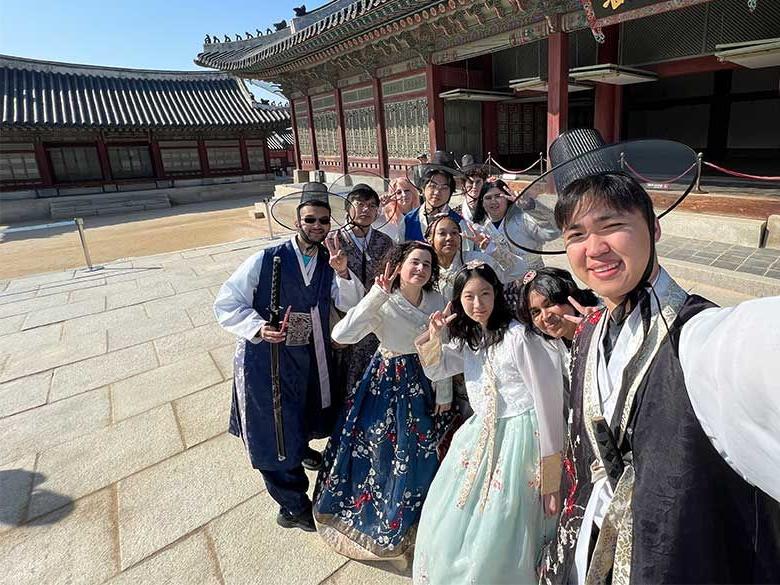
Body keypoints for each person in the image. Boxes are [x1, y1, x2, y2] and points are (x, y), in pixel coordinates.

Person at [537, 129, 780, 584]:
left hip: (675, 556)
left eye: (611, 225)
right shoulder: (591, 334)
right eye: (577, 234)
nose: (594, 249)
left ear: (654, 227)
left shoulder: (699, 338)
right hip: (592, 549)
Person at [213, 183, 364, 533]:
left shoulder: (330, 261)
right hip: (269, 356)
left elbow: (348, 303)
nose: (317, 226)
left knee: (308, 409)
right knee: (275, 429)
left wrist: (342, 271)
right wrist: (259, 327)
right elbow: (226, 302)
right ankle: (293, 505)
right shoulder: (266, 259)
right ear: (297, 221)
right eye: (310, 219)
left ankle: (301, 450)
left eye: (323, 221)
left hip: (311, 351)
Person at [412, 263, 565, 584]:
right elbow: (437, 369)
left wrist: (552, 478)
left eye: (485, 294)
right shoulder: (470, 339)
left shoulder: (518, 336)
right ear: (457, 301)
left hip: (522, 436)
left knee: (507, 516)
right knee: (461, 512)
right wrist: (433, 336)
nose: (478, 304)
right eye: (469, 297)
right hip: (480, 433)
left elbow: (549, 401)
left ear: (496, 294)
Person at [313, 241, 453, 561]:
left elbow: (439, 347)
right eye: (414, 262)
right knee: (383, 448)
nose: (420, 269)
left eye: (427, 265)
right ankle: (385, 510)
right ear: (399, 265)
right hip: (386, 378)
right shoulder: (383, 301)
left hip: (424, 377)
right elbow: (343, 335)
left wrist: (443, 391)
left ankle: (418, 513)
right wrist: (375, 294)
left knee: (420, 448)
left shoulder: (436, 300)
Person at [332, 183, 395, 395]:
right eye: (359, 204)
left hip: (377, 320)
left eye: (371, 205)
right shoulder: (334, 241)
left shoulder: (385, 241)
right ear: (348, 207)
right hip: (345, 317)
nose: (366, 210)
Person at [515, 267, 600, 416]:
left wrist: (598, 332)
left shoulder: (603, 323)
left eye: (549, 304)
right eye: (535, 312)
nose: (545, 316)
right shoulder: (549, 346)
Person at [472, 178, 560, 280]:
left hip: (533, 277)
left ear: (507, 198)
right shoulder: (479, 228)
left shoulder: (524, 218)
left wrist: (530, 206)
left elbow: (553, 228)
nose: (493, 201)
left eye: (498, 196)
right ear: (482, 203)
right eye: (488, 198)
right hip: (501, 282)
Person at [425, 213, 500, 300]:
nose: (449, 238)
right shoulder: (425, 266)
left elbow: (509, 273)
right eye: (442, 233)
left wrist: (491, 249)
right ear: (430, 239)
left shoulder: (475, 261)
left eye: (454, 233)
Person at [401, 150, 468, 243]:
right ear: (423, 189)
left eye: (444, 188)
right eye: (432, 186)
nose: (437, 192)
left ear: (451, 192)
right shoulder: (408, 220)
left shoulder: (459, 223)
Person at [374, 177, 420, 242]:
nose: (404, 195)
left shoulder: (420, 213)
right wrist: (379, 205)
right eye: (399, 192)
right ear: (392, 195)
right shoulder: (385, 214)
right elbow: (369, 221)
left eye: (407, 191)